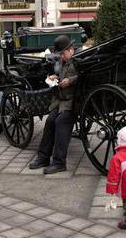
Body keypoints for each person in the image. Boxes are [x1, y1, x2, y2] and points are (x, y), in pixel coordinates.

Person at [29, 35, 78, 174]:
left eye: (63, 53)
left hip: (74, 101)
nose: (61, 56)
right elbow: (62, 76)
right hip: (61, 100)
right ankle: (43, 157)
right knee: (50, 120)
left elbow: (84, 75)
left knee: (61, 122)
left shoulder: (78, 61)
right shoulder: (63, 62)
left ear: (71, 50)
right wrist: (56, 77)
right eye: (60, 54)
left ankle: (59, 162)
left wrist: (71, 80)